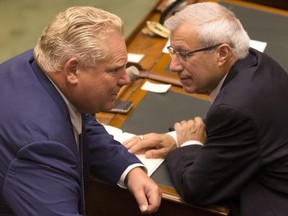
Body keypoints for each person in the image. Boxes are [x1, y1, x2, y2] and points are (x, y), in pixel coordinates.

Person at [124, 2, 288, 216]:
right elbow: (246, 128)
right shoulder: (255, 62)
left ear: (222, 53)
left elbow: (197, 189)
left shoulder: (234, 108)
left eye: (184, 54)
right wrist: (174, 137)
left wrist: (185, 144)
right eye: (173, 51)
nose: (173, 66)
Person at [0, 6, 162, 215]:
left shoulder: (40, 64)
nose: (125, 78)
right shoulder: (40, 146)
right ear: (73, 70)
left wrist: (129, 171)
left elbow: (81, 121)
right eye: (114, 70)